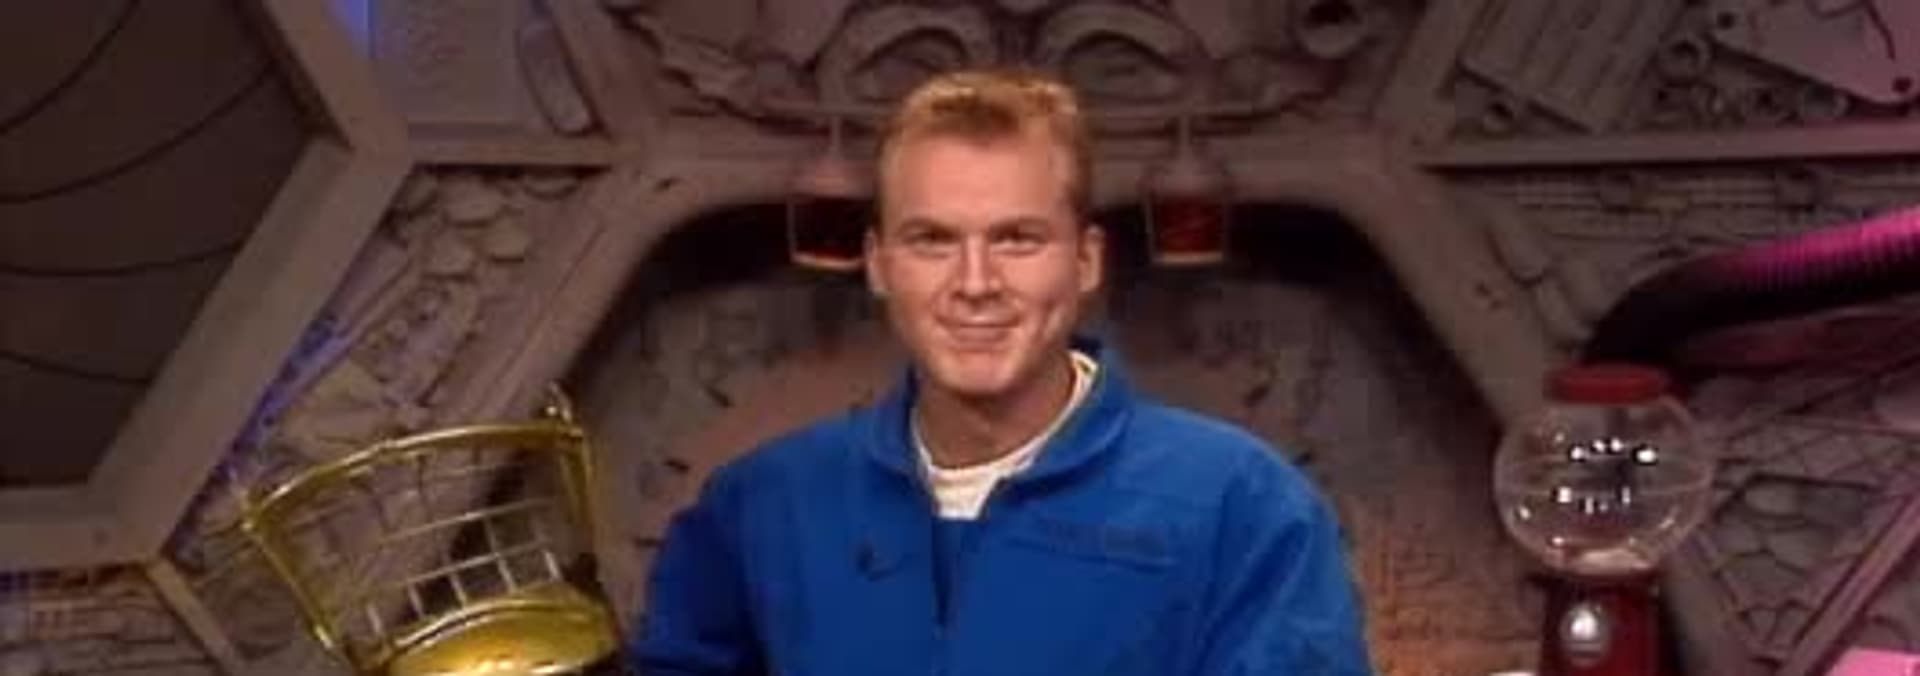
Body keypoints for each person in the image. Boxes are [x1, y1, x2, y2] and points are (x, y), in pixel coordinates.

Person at [632, 68, 1371, 675]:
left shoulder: (1243, 505)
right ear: (879, 264)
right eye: (932, 240)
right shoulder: (762, 504)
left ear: (1086, 261)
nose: (976, 283)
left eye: (1017, 239)